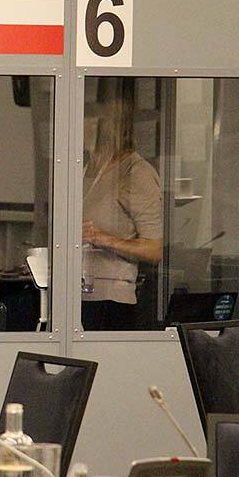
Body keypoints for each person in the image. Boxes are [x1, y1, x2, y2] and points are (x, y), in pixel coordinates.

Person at [81, 95, 163, 330]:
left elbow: (154, 249)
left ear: (105, 128)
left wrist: (103, 239)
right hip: (76, 294)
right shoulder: (85, 167)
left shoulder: (136, 173)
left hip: (110, 302)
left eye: (88, 119)